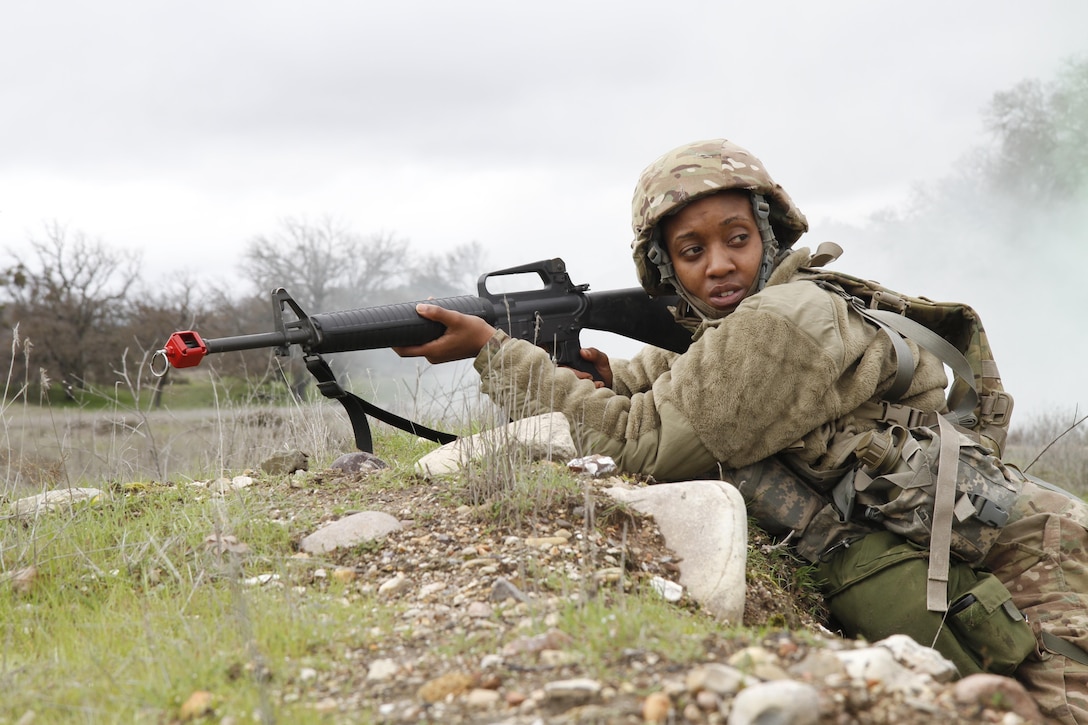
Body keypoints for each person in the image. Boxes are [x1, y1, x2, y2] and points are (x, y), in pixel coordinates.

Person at [394, 138, 1088, 723]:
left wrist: (493, 351)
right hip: (988, 552)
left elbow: (645, 442)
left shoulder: (783, 320)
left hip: (1037, 560)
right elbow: (676, 380)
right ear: (667, 269)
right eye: (692, 250)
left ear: (769, 237)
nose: (719, 264)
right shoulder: (740, 326)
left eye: (736, 239)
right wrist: (606, 379)